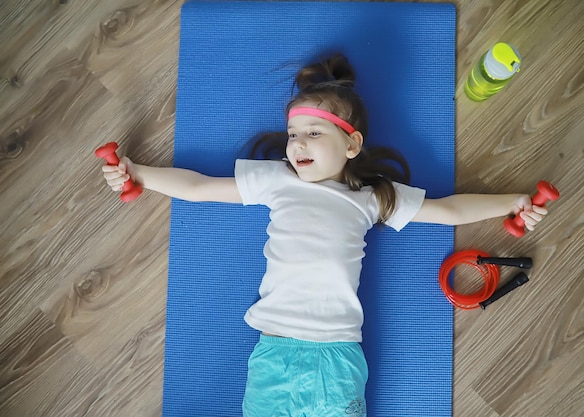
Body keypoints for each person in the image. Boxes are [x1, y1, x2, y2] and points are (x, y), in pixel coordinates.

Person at [101, 54, 547, 417]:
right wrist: (136, 172)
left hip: (337, 357)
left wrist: (512, 201)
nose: (297, 144)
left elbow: (448, 211)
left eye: (313, 133)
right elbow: (198, 188)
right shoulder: (277, 180)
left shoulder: (372, 198)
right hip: (272, 351)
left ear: (351, 146)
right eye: (293, 134)